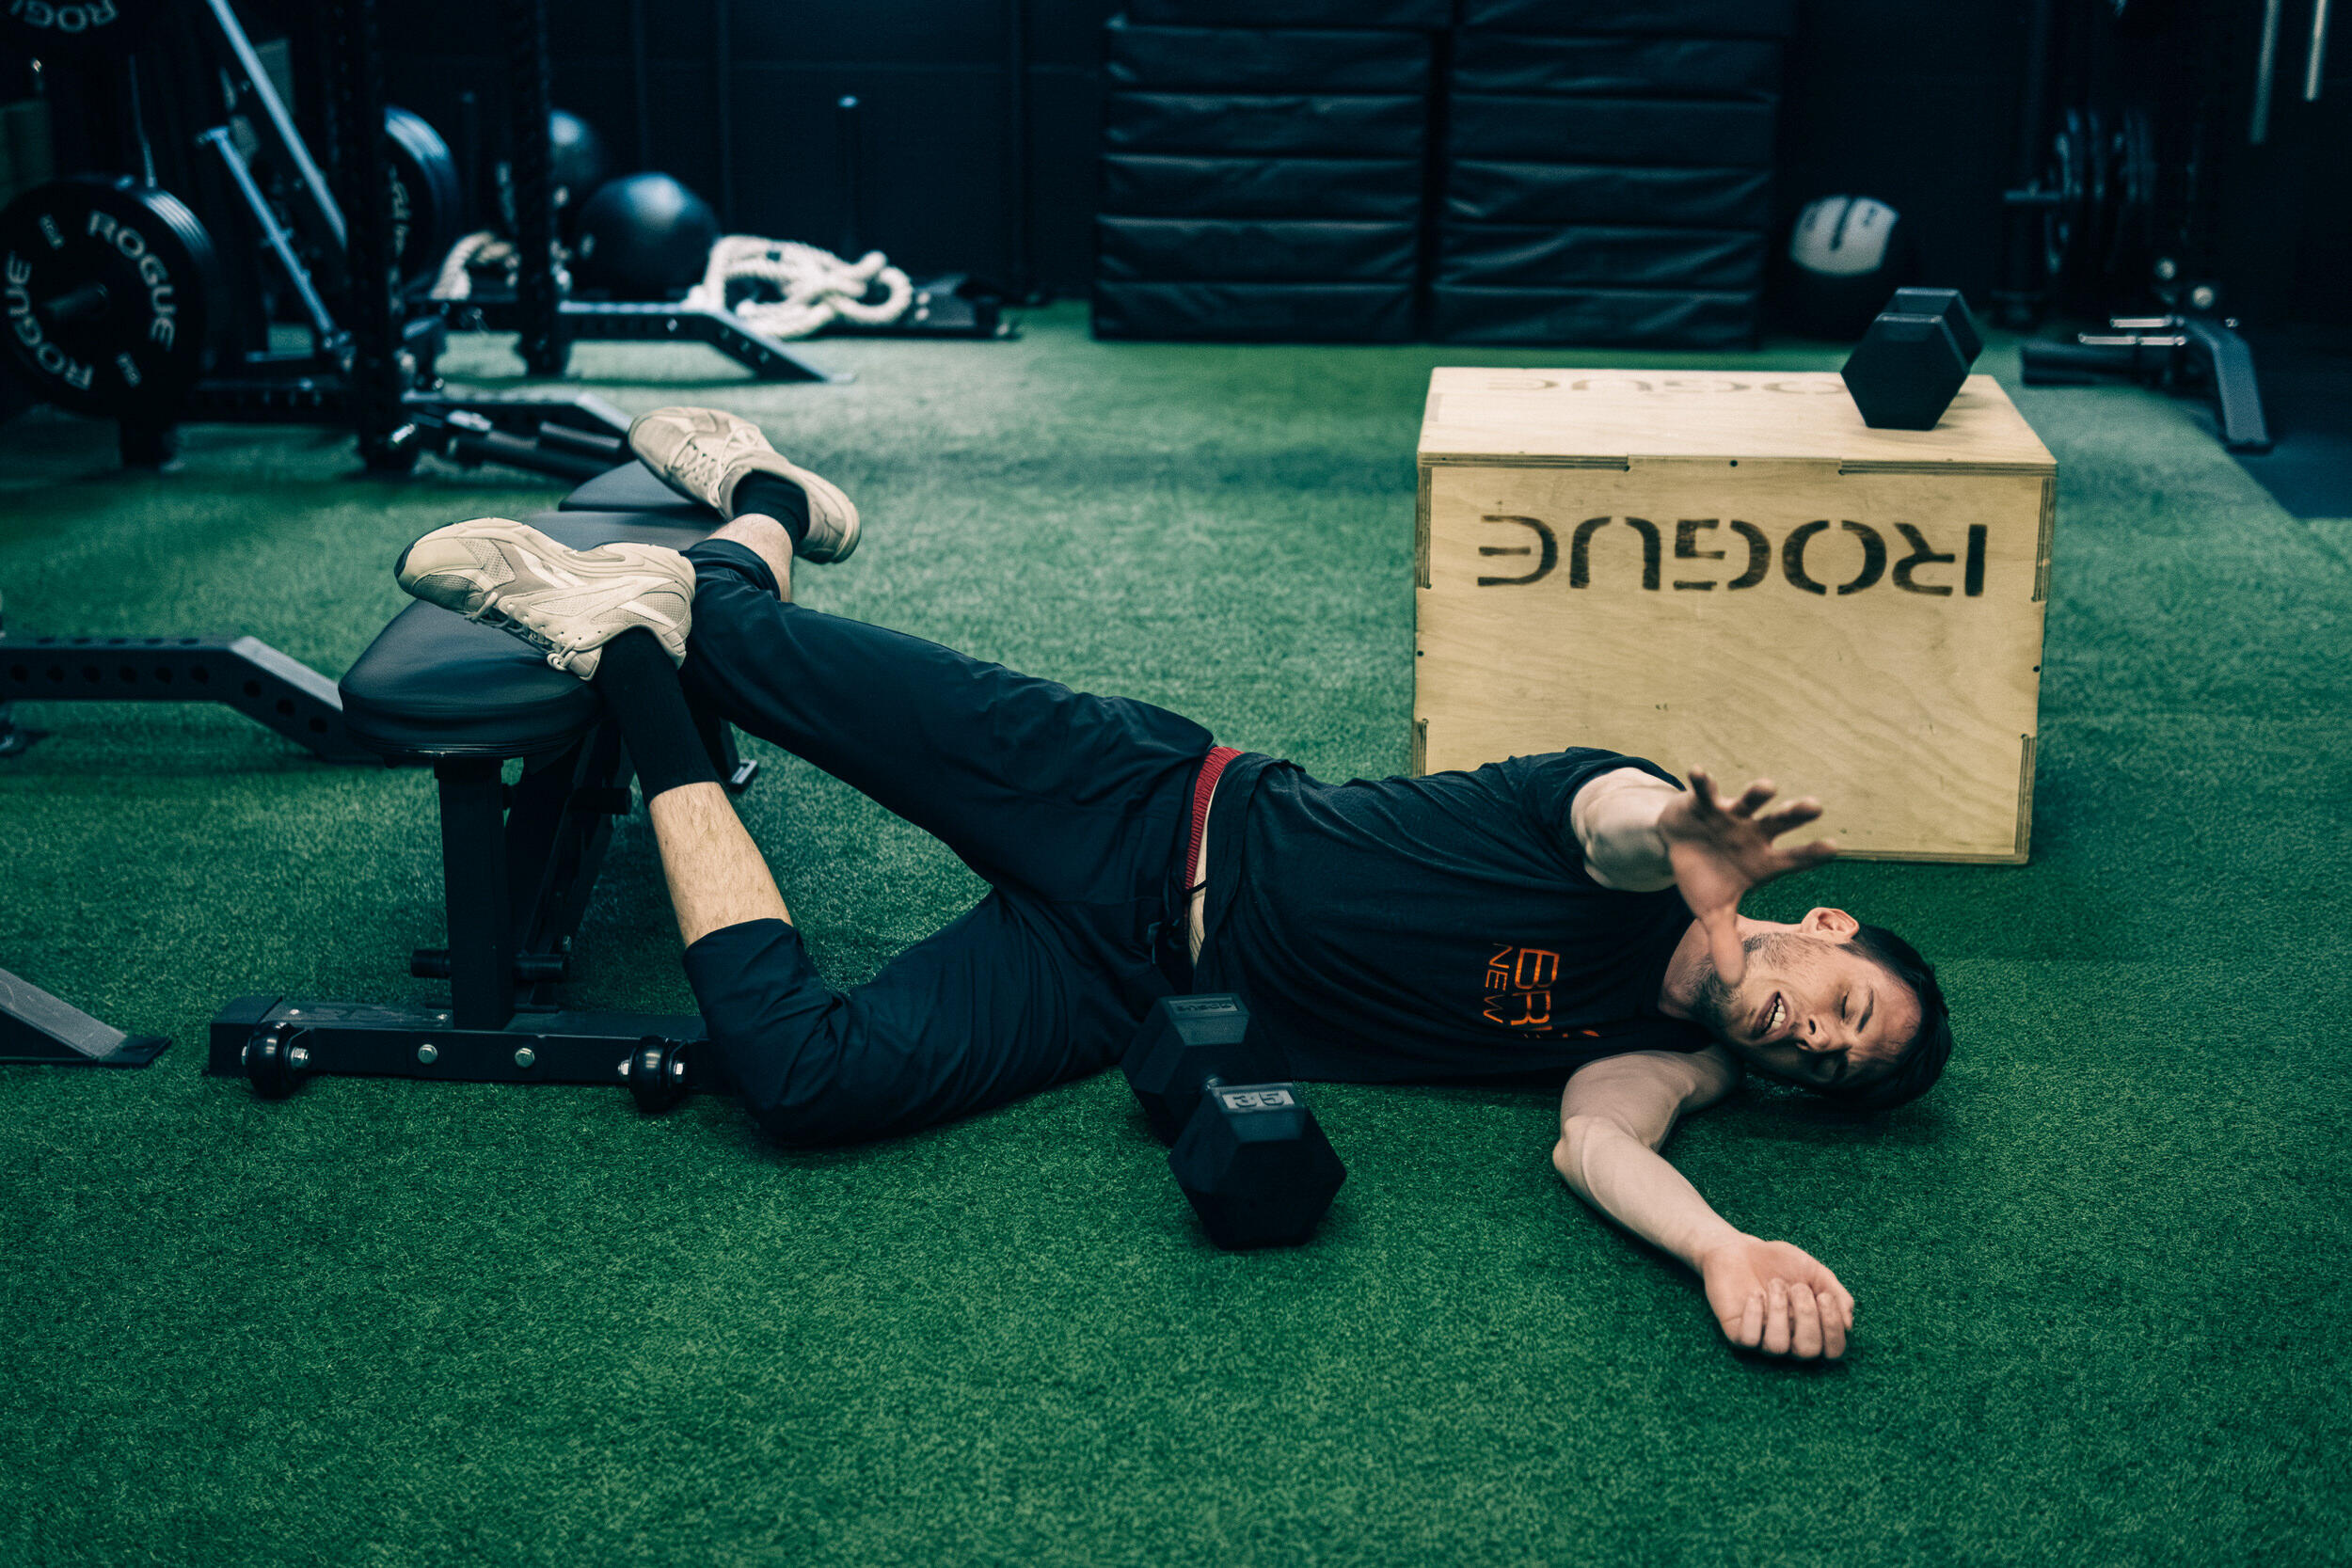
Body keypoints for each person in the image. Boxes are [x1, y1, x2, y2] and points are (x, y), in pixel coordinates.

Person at [395, 406, 1955, 1363]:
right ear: (1824, 927)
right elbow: (1615, 822)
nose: (1812, 1035)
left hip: (1127, 983)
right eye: (1845, 1003)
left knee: (805, 1082)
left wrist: (1723, 1249)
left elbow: (1600, 1148)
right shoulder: (1622, 826)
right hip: (1141, 802)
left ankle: (633, 647)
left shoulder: (1666, 1054)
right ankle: (763, 506)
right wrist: (1676, 842)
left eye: (1830, 1063)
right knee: (736, 635)